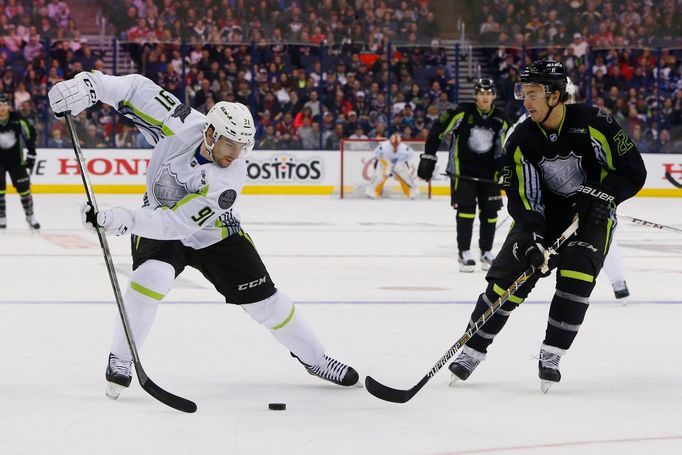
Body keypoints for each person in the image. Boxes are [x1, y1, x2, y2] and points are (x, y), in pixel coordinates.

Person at [48, 71, 359, 400]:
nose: (235, 154)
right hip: (157, 217)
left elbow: (176, 225)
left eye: (242, 146)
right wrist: (90, 86)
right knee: (151, 279)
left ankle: (317, 359)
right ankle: (121, 357)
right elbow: (135, 89)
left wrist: (122, 219)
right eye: (229, 143)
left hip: (214, 233)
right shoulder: (179, 121)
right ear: (210, 132)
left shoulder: (229, 179)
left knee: (267, 303)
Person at [443, 60, 646, 392]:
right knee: (506, 281)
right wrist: (532, 237)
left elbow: (633, 170)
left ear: (555, 95)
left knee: (578, 274)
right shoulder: (521, 137)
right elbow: (523, 197)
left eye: (533, 93)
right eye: (523, 92)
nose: (526, 100)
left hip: (591, 215)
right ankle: (471, 351)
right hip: (544, 217)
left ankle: (551, 354)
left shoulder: (595, 122)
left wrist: (603, 194)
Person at [505, 78, 630, 300]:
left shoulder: (582, 123)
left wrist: (604, 194)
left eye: (570, 97)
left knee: (600, 235)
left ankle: (618, 279)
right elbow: (513, 164)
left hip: (586, 200)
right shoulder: (526, 128)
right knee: (532, 245)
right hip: (549, 206)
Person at [419, 78, 509, 272]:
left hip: (489, 175)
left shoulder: (501, 119)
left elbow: (505, 147)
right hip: (463, 173)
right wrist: (429, 156)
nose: (485, 97)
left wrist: (505, 169)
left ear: (493, 95)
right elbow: (437, 130)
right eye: (481, 93)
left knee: (490, 213)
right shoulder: (461, 112)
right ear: (475, 95)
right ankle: (464, 252)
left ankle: (486, 251)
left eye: (488, 93)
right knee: (466, 211)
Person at [0, 92, 40, 230]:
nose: (2, 108)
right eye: (0, 105)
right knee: (0, 191)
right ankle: (2, 217)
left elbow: (30, 135)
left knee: (24, 190)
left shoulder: (17, 118)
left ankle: (30, 216)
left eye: (5, 104)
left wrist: (32, 153)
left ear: (9, 106)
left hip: (16, 161)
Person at [365, 133, 418, 199]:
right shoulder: (383, 146)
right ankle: (371, 191)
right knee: (379, 175)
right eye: (393, 144)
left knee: (405, 175)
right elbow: (376, 153)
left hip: (398, 163)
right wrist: (383, 161)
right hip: (386, 162)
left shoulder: (404, 148)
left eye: (397, 144)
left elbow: (411, 154)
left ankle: (412, 191)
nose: (395, 146)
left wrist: (402, 161)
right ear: (390, 142)